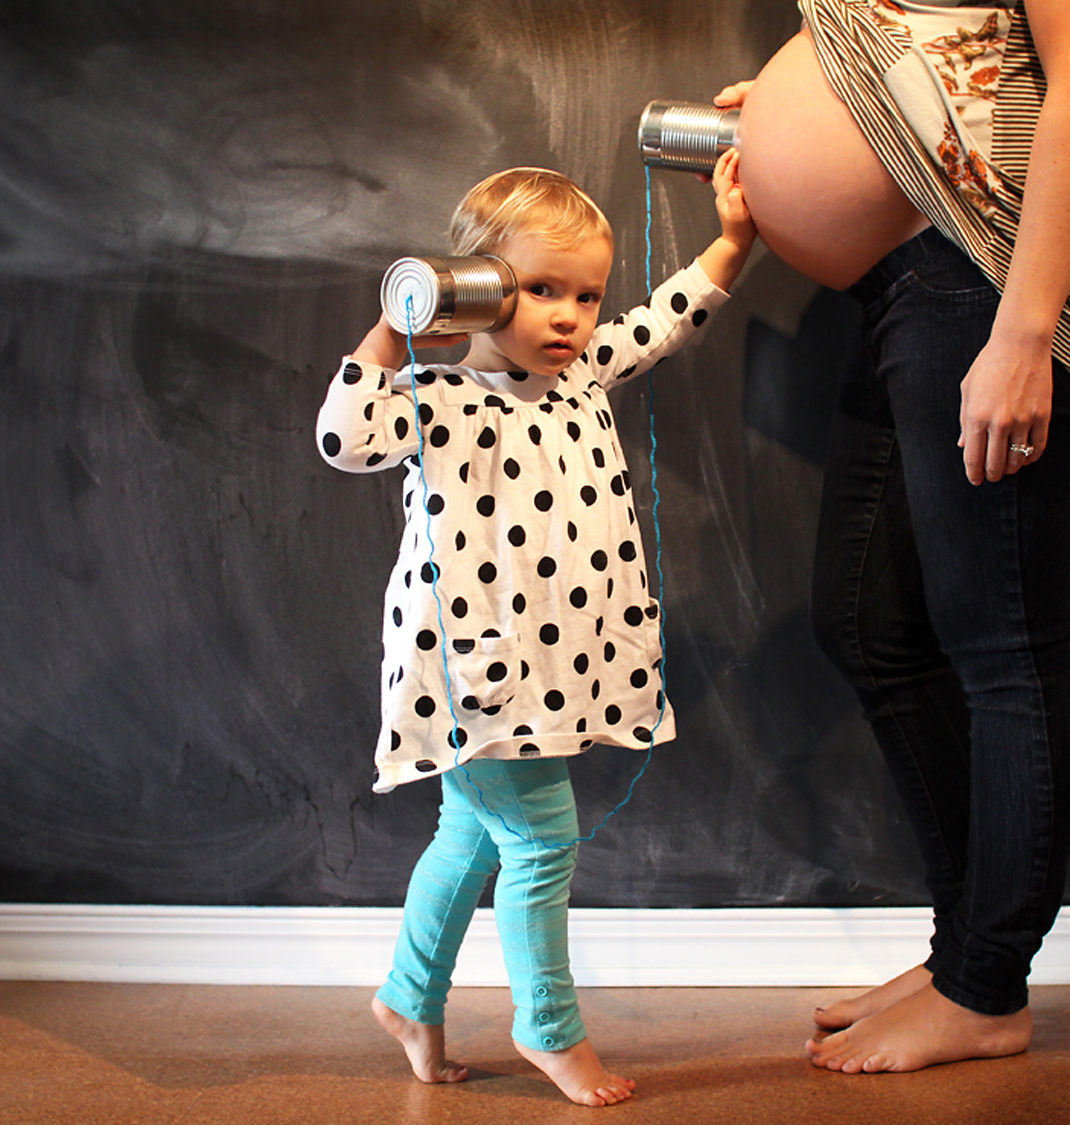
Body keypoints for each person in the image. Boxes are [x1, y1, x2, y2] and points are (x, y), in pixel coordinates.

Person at [315, 160, 754, 1105]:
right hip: (476, 670)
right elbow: (343, 435)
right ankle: (547, 1024)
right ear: (475, 291)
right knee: (542, 837)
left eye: (585, 294)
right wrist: (396, 324)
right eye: (542, 290)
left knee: (470, 833)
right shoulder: (436, 398)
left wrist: (732, 240)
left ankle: (406, 996)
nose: (570, 316)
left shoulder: (585, 370)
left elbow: (666, 319)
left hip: (559, 662)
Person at [714, 0, 1070, 1075]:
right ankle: (961, 944)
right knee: (865, 621)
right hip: (904, 286)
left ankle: (985, 987)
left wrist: (1025, 327)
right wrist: (813, 104)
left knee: (1002, 646)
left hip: (983, 272)